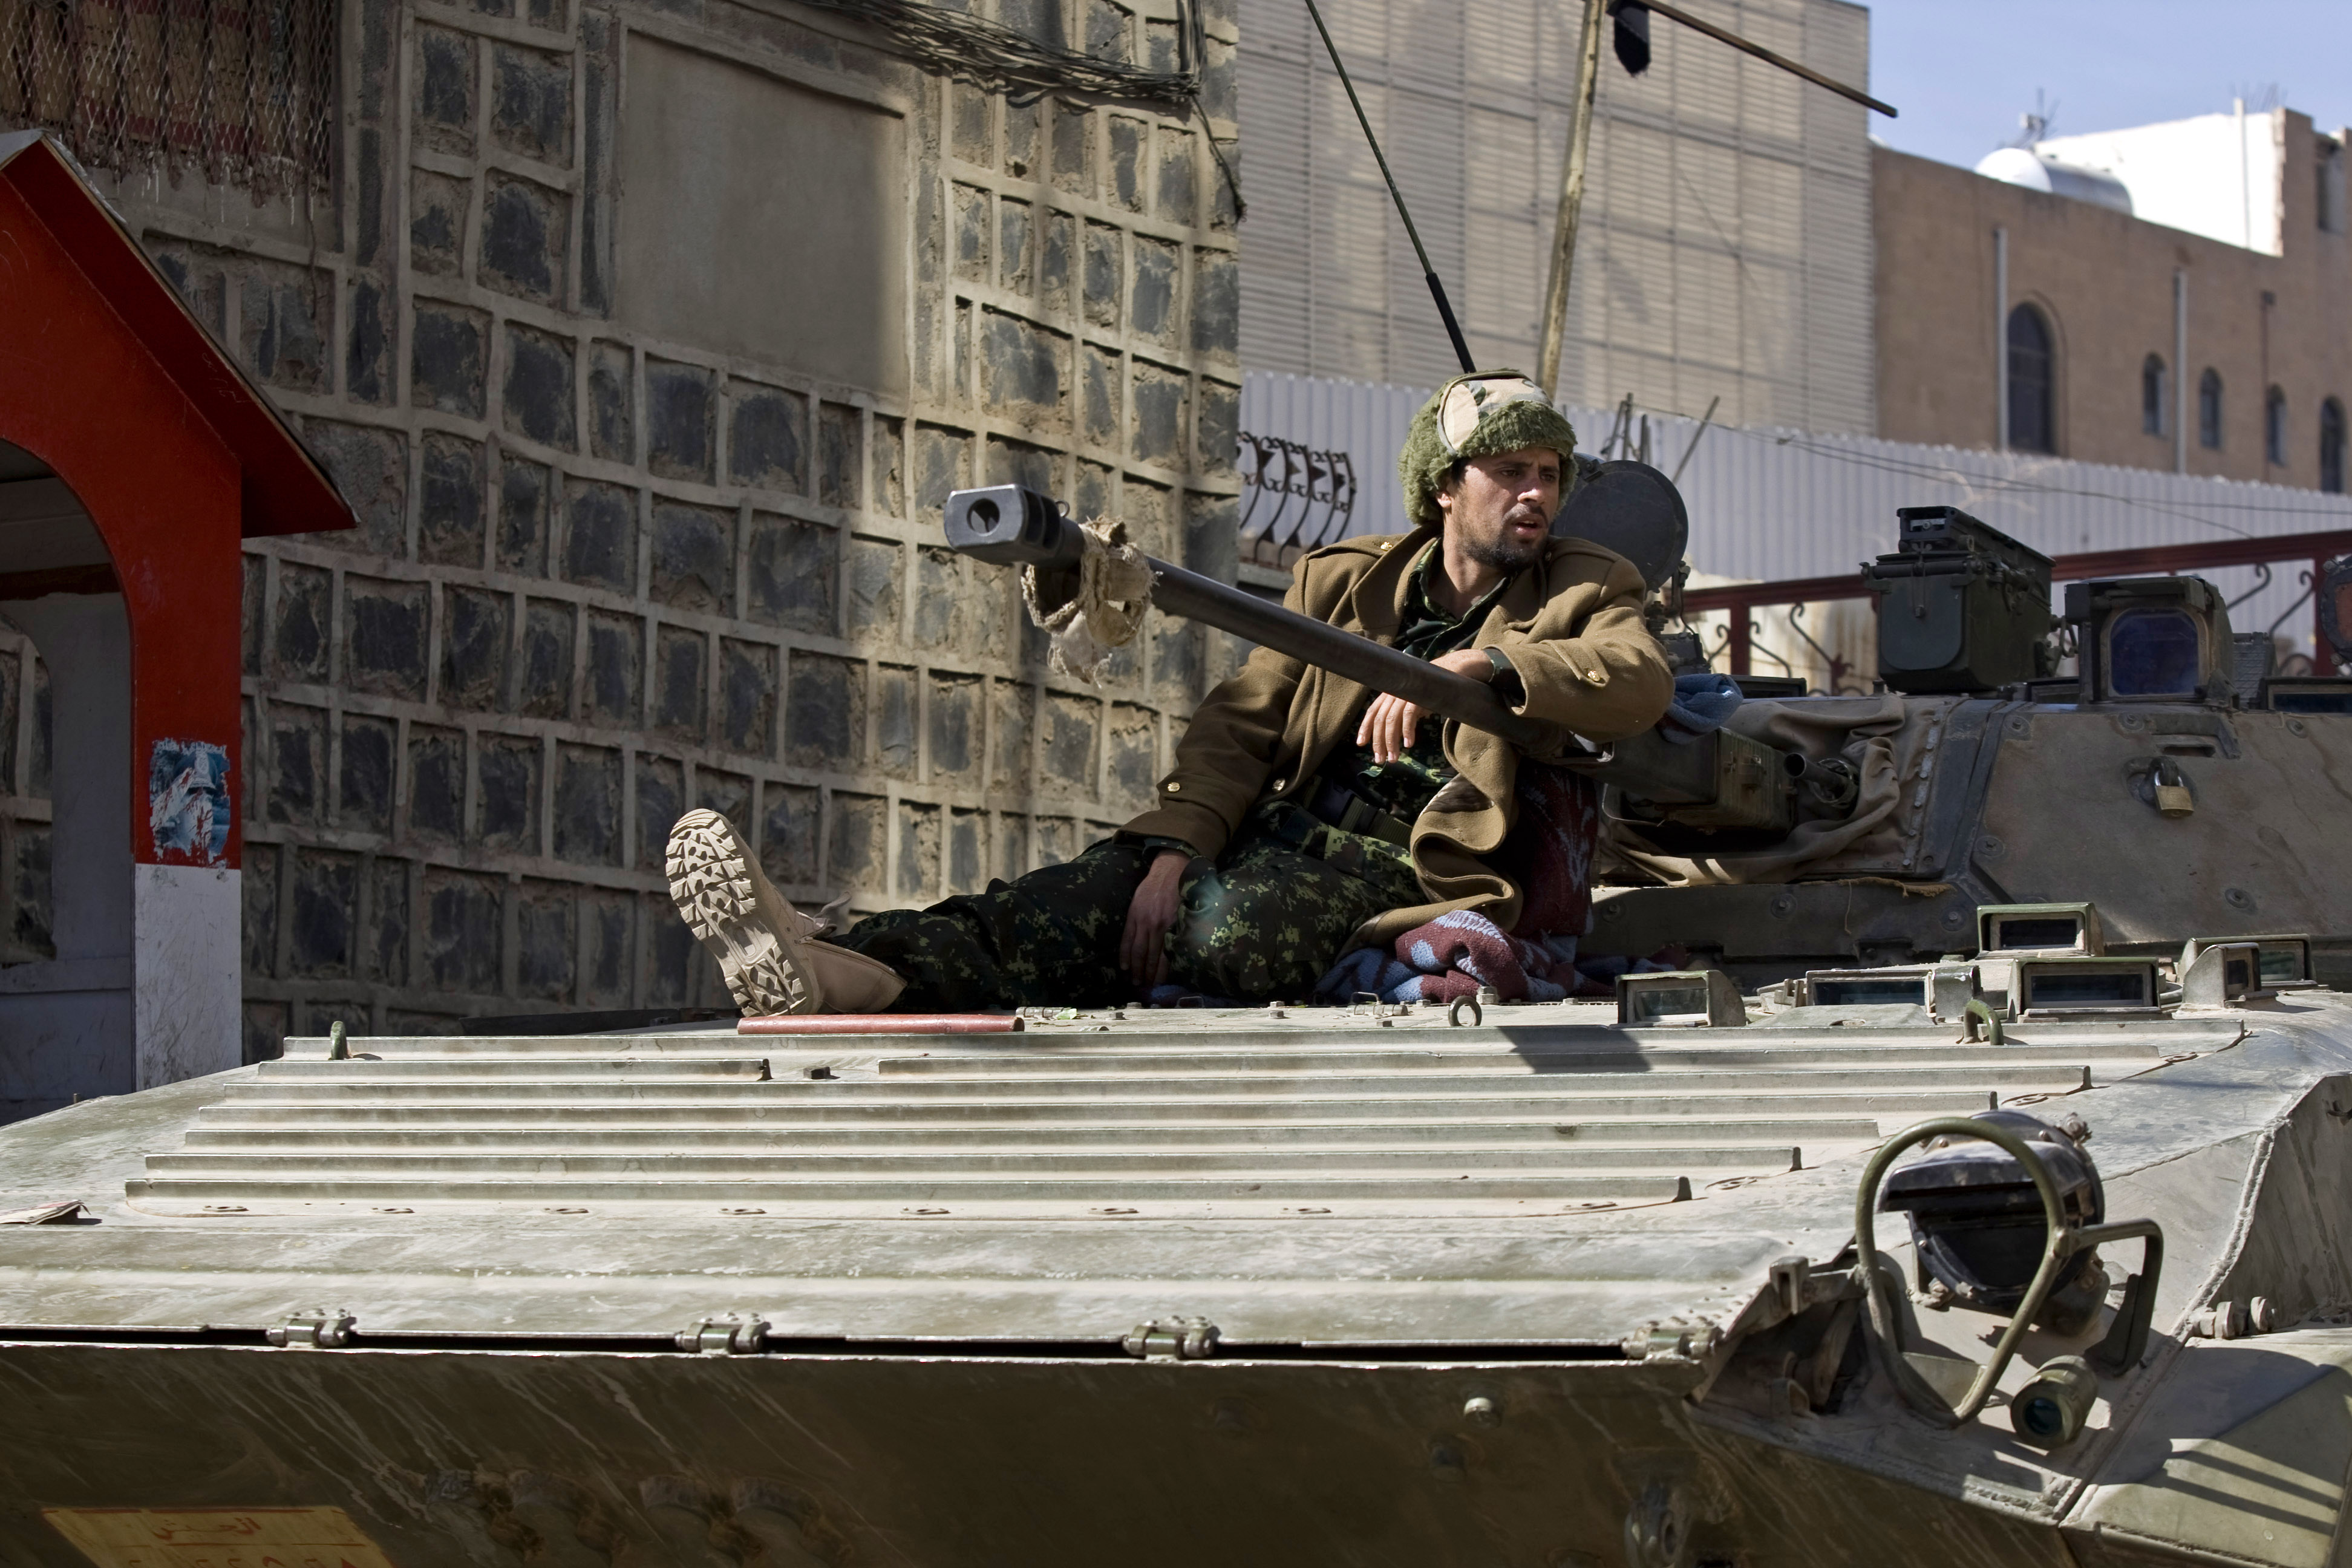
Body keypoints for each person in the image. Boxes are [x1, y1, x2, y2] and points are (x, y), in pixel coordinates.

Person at [665, 370, 1675, 1015]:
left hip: (1406, 863)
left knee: (1223, 932)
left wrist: (1488, 669)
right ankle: (843, 967)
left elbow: (1635, 678)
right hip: (1276, 835)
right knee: (1070, 901)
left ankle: (867, 968)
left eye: (1550, 473)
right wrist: (1178, 847)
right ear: (1446, 486)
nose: (1536, 493)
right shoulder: (1346, 581)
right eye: (1510, 470)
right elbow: (1240, 727)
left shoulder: (1588, 586)